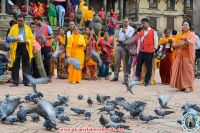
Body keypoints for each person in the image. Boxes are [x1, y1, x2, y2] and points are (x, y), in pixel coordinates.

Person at [7, 15, 34, 87]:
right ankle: (15, 82)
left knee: (26, 65)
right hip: (16, 47)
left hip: (25, 47)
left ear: (24, 21)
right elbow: (8, 38)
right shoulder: (13, 28)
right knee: (15, 64)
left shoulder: (28, 29)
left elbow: (32, 39)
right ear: (17, 21)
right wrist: (15, 38)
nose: (20, 22)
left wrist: (27, 41)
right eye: (18, 20)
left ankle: (26, 82)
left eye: (21, 20)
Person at [170, 21, 196, 92]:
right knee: (178, 70)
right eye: (183, 25)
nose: (184, 26)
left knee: (187, 71)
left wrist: (186, 41)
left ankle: (188, 87)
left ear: (189, 27)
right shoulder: (179, 34)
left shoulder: (191, 34)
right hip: (179, 55)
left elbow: (192, 43)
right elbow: (174, 44)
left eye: (186, 25)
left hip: (187, 56)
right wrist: (180, 44)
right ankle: (180, 86)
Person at [133, 18, 158, 86]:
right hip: (141, 51)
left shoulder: (153, 31)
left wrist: (155, 51)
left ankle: (147, 81)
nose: (142, 25)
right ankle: (137, 79)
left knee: (148, 67)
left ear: (147, 23)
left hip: (149, 52)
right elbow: (139, 42)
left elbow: (156, 42)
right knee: (138, 66)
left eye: (143, 23)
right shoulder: (141, 32)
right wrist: (138, 51)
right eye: (142, 23)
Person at [111, 18, 134, 84]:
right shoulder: (120, 28)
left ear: (128, 22)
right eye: (124, 22)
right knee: (116, 61)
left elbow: (130, 38)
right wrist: (117, 30)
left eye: (126, 22)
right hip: (118, 46)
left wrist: (125, 33)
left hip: (125, 46)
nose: (125, 23)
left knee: (125, 62)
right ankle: (115, 76)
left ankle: (125, 77)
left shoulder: (131, 29)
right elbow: (115, 36)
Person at [34, 16, 54, 81]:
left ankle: (48, 77)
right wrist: (38, 37)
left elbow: (52, 35)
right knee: (40, 62)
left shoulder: (47, 27)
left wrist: (45, 37)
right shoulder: (36, 29)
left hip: (47, 46)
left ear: (40, 20)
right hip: (39, 46)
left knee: (47, 62)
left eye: (36, 21)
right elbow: (34, 37)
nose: (36, 22)